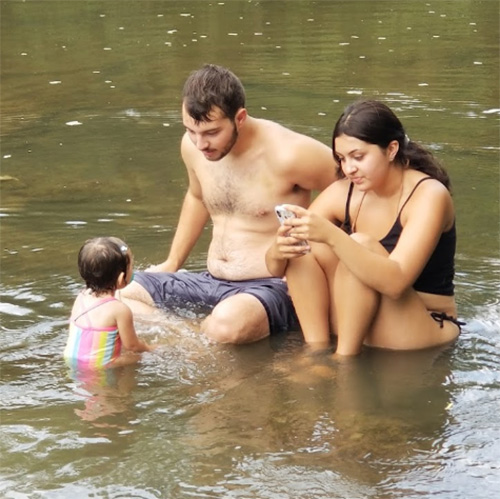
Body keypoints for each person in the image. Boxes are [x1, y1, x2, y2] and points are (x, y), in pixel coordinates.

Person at [121, 64, 337, 344]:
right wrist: (173, 262)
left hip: (269, 285)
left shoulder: (291, 153)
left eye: (211, 132)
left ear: (240, 118)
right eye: (191, 131)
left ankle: (190, 337)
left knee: (226, 326)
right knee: (113, 298)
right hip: (211, 279)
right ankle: (194, 336)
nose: (200, 144)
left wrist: (312, 266)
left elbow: (351, 192)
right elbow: (197, 197)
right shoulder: (193, 147)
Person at [265, 100, 464, 356]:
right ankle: (315, 353)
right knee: (304, 245)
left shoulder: (429, 195)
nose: (348, 169)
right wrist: (278, 249)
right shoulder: (345, 191)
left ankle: (343, 362)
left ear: (391, 149)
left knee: (358, 245)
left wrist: (332, 235)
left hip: (422, 326)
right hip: (362, 319)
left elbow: (396, 283)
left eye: (358, 157)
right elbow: (275, 269)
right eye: (341, 159)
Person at [64, 237, 155, 369]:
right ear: (120, 279)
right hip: (101, 367)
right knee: (138, 357)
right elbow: (133, 346)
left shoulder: (81, 296)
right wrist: (151, 348)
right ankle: (125, 389)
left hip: (71, 360)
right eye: (130, 268)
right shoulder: (120, 310)